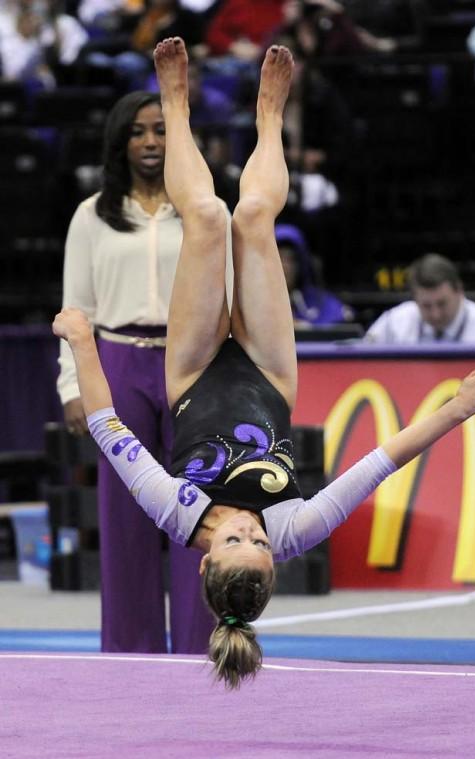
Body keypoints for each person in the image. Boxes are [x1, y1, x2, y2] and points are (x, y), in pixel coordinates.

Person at [53, 38, 475, 688]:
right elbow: (382, 460)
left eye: (237, 542)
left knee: (205, 217)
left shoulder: (177, 511)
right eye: (261, 547)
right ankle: (268, 118)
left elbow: (108, 429)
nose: (250, 532)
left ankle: (175, 104)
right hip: (267, 371)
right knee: (253, 216)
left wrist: (81, 342)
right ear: (276, 558)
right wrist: (455, 410)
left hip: (192, 371)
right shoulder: (297, 524)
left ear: (204, 561)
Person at [56, 88, 232, 654]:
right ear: (119, 141)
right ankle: (129, 654)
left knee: (197, 507)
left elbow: (231, 296)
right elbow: (75, 305)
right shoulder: (92, 215)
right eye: (138, 131)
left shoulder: (208, 210)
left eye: (161, 129)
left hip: (193, 362)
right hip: (118, 361)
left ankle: (197, 648)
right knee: (126, 512)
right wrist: (71, 384)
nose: (152, 141)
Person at [365, 253, 475, 344]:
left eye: (442, 303)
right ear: (415, 299)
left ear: (459, 290)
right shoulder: (393, 324)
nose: (435, 314)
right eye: (426, 306)